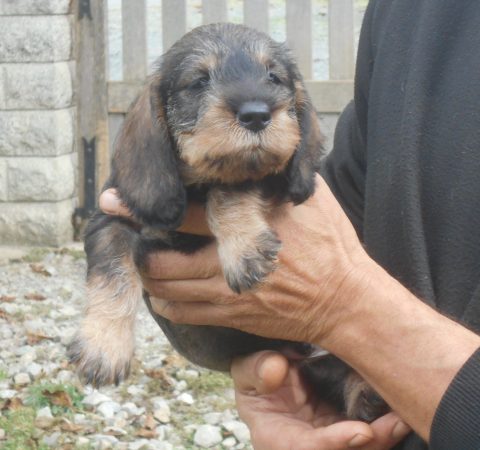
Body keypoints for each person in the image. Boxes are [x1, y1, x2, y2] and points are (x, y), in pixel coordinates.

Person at [99, 1, 480, 448]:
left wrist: (346, 308)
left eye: (273, 81)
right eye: (201, 82)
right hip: (348, 410)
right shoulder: (405, 11)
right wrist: (294, 389)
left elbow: (325, 265)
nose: (255, 104)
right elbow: (336, 201)